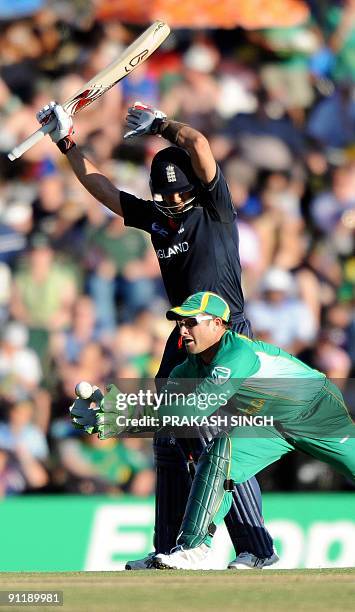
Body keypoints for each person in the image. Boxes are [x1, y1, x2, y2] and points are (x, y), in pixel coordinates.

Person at [37, 100, 277, 570]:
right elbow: (100, 187)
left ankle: (256, 549)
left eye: (176, 195)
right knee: (168, 437)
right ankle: (169, 549)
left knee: (215, 436)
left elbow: (199, 144)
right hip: (186, 333)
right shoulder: (156, 219)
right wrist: (65, 142)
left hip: (226, 334)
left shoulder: (214, 208)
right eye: (162, 196)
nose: (170, 203)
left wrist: (161, 125)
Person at [82, 290, 355, 570]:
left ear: (217, 324)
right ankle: (192, 548)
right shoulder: (184, 370)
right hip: (269, 425)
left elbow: (196, 408)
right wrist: (109, 414)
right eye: (180, 324)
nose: (183, 330)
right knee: (220, 455)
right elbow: (168, 415)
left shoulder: (238, 353)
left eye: (192, 323)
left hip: (316, 409)